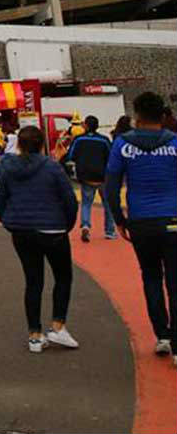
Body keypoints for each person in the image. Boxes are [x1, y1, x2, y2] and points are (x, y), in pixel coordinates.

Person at [0, 125, 79, 354]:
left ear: (18, 144)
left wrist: (8, 220)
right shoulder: (52, 167)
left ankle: (34, 335)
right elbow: (69, 199)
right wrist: (66, 225)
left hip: (21, 230)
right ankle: (58, 325)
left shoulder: (8, 168)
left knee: (33, 281)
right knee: (62, 276)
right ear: (42, 144)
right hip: (53, 229)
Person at [104, 91, 177, 364]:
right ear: (162, 116)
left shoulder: (122, 144)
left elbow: (110, 187)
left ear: (136, 115)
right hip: (173, 219)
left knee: (151, 277)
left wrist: (119, 221)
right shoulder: (175, 143)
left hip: (141, 222)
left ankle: (163, 336)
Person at [66, 115, 115, 242]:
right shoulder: (104, 140)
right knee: (108, 204)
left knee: (86, 203)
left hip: (86, 176)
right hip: (103, 176)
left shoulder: (78, 139)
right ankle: (110, 231)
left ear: (85, 126)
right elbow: (111, 157)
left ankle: (86, 225)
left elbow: (70, 156)